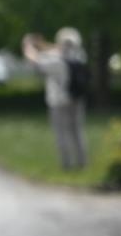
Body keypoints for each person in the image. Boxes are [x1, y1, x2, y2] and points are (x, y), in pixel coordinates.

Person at [23, 29, 89, 170]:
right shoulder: (80, 56)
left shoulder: (57, 62)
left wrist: (28, 45)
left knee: (61, 133)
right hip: (77, 99)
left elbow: (35, 60)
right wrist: (42, 44)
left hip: (59, 102)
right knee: (77, 131)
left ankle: (67, 164)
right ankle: (82, 162)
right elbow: (56, 48)